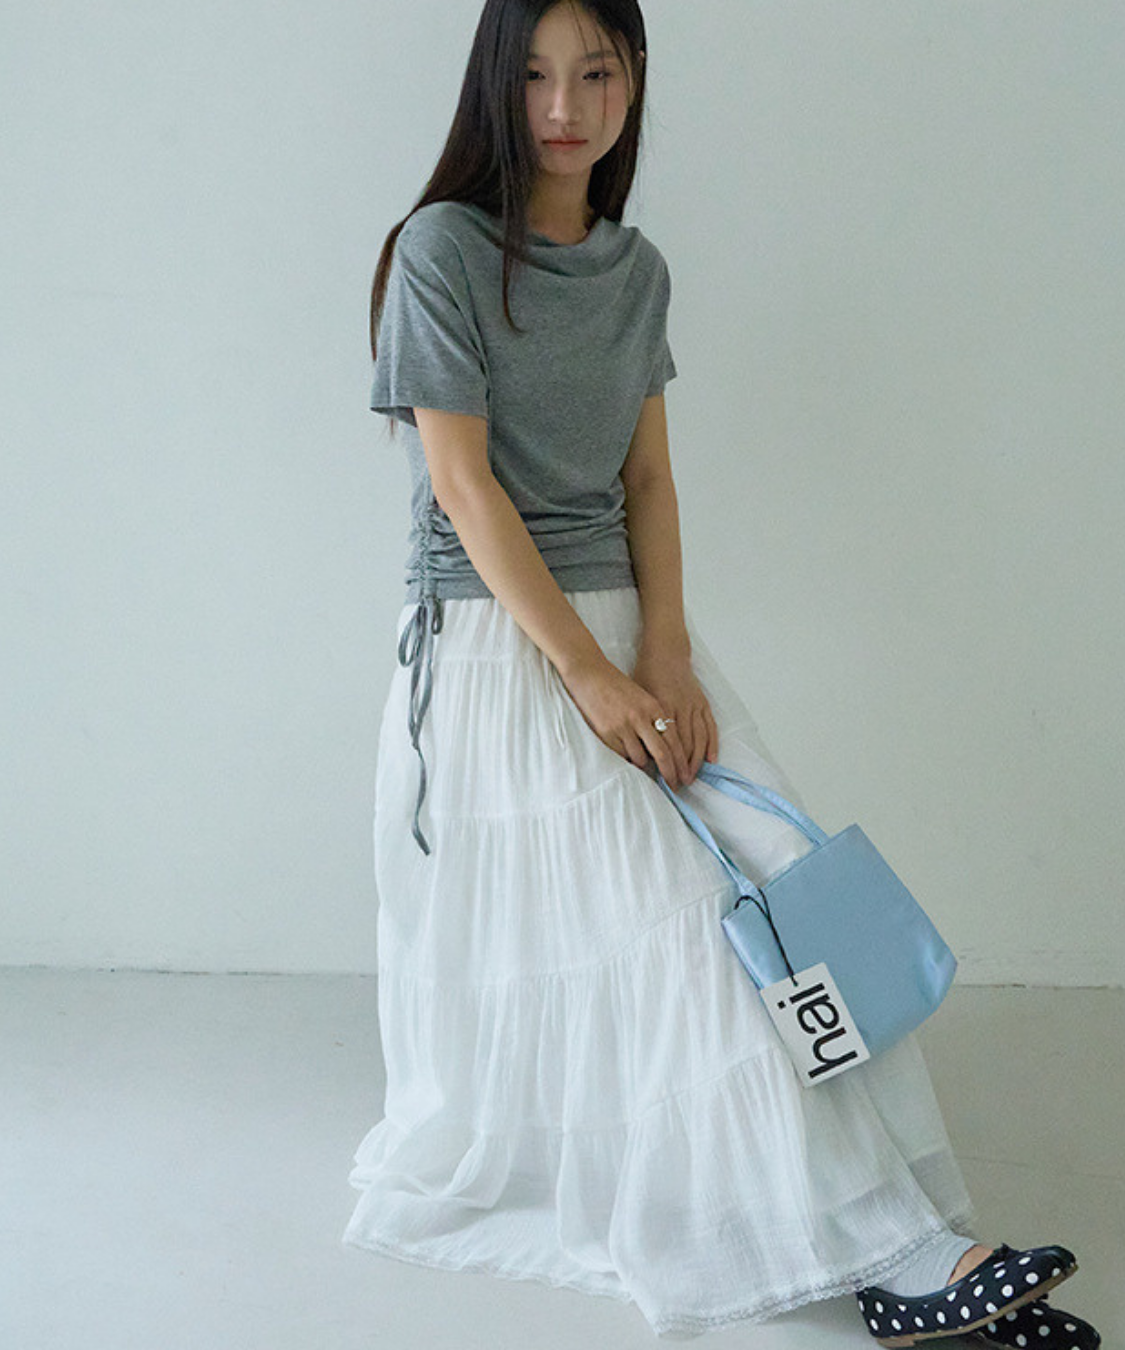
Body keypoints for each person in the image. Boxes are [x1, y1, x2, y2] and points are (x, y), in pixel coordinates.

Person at [341, 2, 1100, 1345]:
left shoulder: (636, 271)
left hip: (630, 633)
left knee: (790, 888)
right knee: (694, 930)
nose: (563, 106)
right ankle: (905, 1255)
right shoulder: (440, 252)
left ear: (633, 83)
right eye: (534, 75)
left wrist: (668, 650)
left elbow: (648, 478)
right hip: (501, 651)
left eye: (595, 72)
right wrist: (591, 676)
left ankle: (887, 1224)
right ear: (493, 87)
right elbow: (463, 488)